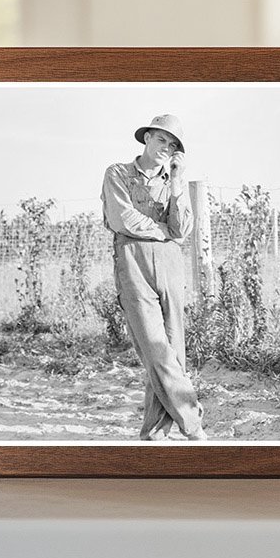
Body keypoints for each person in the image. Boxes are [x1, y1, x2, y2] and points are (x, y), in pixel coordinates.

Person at [101, 114, 207, 442]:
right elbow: (123, 218)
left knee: (173, 349)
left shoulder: (171, 178)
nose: (166, 148)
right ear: (147, 138)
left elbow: (184, 229)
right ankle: (192, 421)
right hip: (132, 261)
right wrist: (163, 230)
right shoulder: (117, 173)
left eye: (173, 144)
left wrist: (177, 183)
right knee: (155, 347)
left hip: (170, 264)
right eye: (161, 139)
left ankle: (154, 431)